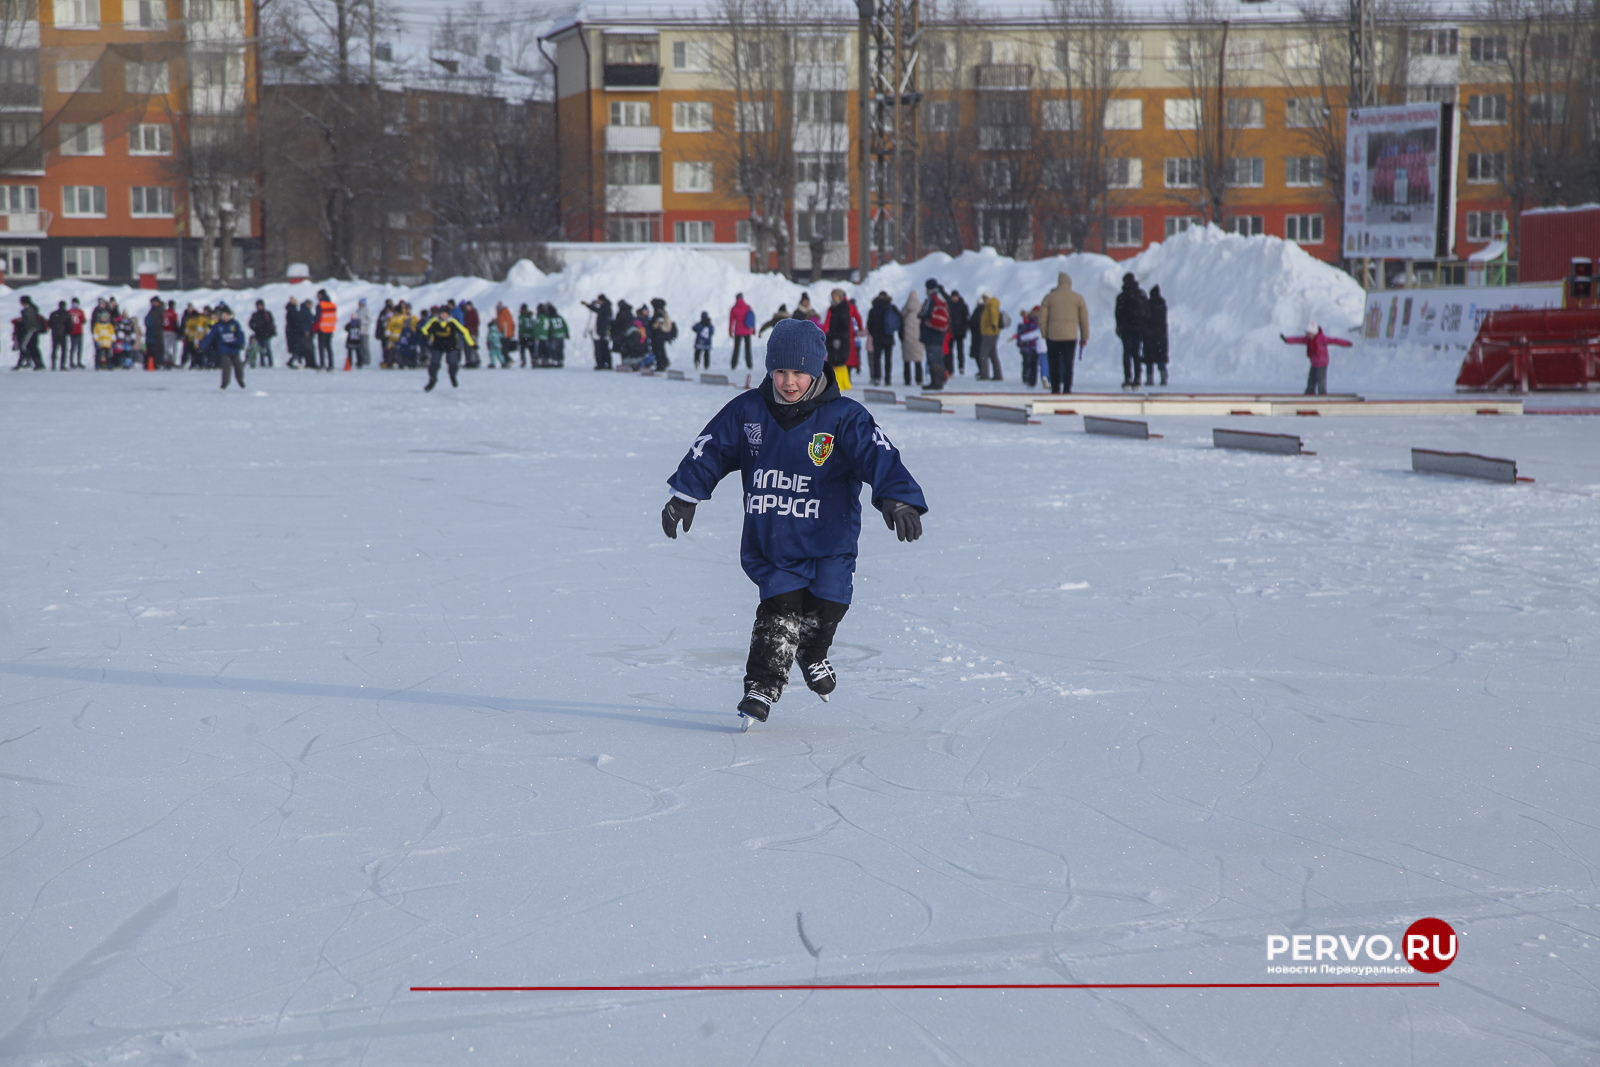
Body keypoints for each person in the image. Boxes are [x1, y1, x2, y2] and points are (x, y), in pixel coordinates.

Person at [661, 317, 927, 726]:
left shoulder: (844, 417)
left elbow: (879, 456)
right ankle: (762, 686)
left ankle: (812, 653)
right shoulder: (749, 411)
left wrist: (898, 499)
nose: (789, 382)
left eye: (799, 372)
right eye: (780, 371)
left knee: (829, 605)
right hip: (775, 539)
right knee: (779, 610)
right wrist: (685, 495)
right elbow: (710, 449)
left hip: (830, 540)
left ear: (818, 370)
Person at [1037, 272, 1089, 395]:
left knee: (1053, 363)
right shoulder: (1078, 298)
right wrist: (1084, 336)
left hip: (1053, 336)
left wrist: (1045, 333)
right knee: (1068, 363)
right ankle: (1067, 388)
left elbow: (1041, 319)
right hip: (1070, 337)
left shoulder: (1049, 298)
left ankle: (1055, 388)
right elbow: (1084, 320)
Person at [1281, 320, 1350, 395]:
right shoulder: (1308, 339)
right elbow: (1298, 339)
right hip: (1314, 363)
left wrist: (1346, 343)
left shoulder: (1321, 339)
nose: (1308, 335)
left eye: (1309, 334)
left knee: (1321, 380)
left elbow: (1335, 341)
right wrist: (1287, 340)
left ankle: (1322, 394)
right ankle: (1309, 393)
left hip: (1322, 363)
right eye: (1307, 334)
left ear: (1314, 333)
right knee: (1311, 380)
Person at [421, 305, 473, 391]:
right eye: (442, 313)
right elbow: (424, 329)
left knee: (453, 363)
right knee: (434, 364)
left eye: (445, 314)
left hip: (451, 345)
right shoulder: (434, 321)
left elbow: (464, 331)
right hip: (437, 345)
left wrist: (472, 344)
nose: (443, 315)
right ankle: (433, 379)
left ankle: (452, 375)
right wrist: (426, 335)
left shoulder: (452, 322)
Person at [1115, 272, 1147, 390]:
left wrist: (1119, 327)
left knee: (1127, 353)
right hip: (1138, 329)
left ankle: (1128, 378)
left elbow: (1118, 313)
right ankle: (1138, 378)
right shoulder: (1141, 294)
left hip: (1126, 329)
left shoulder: (1122, 296)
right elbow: (1147, 312)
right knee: (1137, 353)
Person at [822, 288, 857, 391]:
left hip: (841, 339)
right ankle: (840, 383)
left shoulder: (843, 308)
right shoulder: (833, 308)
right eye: (833, 296)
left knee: (839, 361)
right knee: (835, 361)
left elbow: (844, 325)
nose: (834, 298)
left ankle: (841, 383)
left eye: (836, 296)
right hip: (834, 337)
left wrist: (838, 338)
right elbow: (828, 322)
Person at [204, 304, 247, 389]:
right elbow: (210, 336)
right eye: (223, 316)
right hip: (224, 349)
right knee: (226, 365)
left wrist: (240, 343)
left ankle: (240, 379)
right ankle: (225, 383)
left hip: (234, 348)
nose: (225, 317)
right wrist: (202, 346)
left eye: (226, 315)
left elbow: (240, 334)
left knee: (238, 365)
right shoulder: (218, 326)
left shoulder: (234, 324)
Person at [917, 279, 949, 390]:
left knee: (933, 358)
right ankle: (938, 381)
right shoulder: (940, 299)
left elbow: (925, 313)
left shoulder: (931, 299)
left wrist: (919, 315)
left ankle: (936, 382)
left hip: (931, 333)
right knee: (938, 358)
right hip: (939, 333)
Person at [865, 291, 898, 386]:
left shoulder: (873, 309)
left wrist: (874, 333)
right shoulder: (892, 308)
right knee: (888, 359)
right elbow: (898, 320)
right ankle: (888, 379)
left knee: (877, 359)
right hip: (888, 337)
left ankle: (877, 377)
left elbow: (869, 325)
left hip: (877, 338)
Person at [973, 289, 1004, 381]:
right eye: (984, 298)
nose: (985, 299)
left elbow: (994, 315)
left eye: (986, 297)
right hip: (989, 332)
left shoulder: (991, 305)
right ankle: (998, 375)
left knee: (983, 353)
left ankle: (984, 375)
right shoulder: (989, 305)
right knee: (993, 355)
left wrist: (994, 324)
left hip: (990, 332)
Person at [1143, 285, 1169, 386]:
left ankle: (1150, 378)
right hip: (1161, 336)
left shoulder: (1148, 304)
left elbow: (1146, 318)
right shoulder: (1163, 304)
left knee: (1149, 359)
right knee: (1160, 358)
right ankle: (1163, 374)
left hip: (1149, 335)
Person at [899, 288, 924, 386]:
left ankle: (907, 379)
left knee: (907, 360)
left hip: (907, 338)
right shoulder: (921, 309)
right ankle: (919, 379)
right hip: (918, 338)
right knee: (918, 360)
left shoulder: (905, 310)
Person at [1014, 306, 1042, 387]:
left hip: (1026, 346)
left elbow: (1021, 333)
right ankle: (1031, 380)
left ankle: (1026, 379)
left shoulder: (1026, 323)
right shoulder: (1038, 323)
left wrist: (1020, 341)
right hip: (1034, 346)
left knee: (1026, 363)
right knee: (1033, 364)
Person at [581, 295, 612, 370]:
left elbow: (592, 323)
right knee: (605, 349)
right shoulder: (607, 308)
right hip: (603, 332)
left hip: (599, 332)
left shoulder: (603, 309)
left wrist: (587, 331)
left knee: (599, 349)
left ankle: (601, 363)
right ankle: (607, 363)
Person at [946, 289, 970, 376]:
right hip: (951, 332)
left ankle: (961, 367)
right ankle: (950, 368)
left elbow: (966, 319)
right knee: (949, 351)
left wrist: (965, 330)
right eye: (953, 297)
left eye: (955, 297)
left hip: (960, 332)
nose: (954, 299)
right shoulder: (949, 305)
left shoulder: (963, 306)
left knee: (960, 351)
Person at [728, 292, 755, 369]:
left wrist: (730, 331)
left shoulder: (734, 308)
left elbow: (731, 321)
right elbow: (752, 318)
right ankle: (749, 365)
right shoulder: (747, 307)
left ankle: (733, 365)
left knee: (736, 349)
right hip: (747, 331)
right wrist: (753, 329)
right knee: (748, 349)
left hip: (738, 331)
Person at [648, 297, 676, 372]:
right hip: (661, 335)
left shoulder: (658, 312)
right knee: (660, 349)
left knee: (658, 350)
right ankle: (662, 363)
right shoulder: (663, 311)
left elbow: (657, 323)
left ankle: (661, 365)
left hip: (658, 335)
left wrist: (652, 325)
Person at [315, 289, 337, 371]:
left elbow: (317, 318)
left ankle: (322, 365)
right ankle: (331, 365)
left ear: (321, 295)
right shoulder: (332, 305)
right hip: (330, 329)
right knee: (329, 347)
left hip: (322, 328)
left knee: (321, 347)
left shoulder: (320, 305)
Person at [249, 300, 276, 368]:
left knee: (267, 348)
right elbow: (251, 323)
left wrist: (269, 330)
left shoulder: (267, 314)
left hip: (266, 334)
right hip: (259, 334)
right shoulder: (255, 315)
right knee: (261, 349)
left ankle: (270, 363)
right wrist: (255, 328)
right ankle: (262, 363)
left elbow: (271, 322)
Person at [48, 300, 71, 370]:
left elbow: (49, 323)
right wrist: (67, 331)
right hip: (63, 333)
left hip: (55, 333)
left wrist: (54, 329)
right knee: (63, 350)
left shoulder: (53, 313)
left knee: (54, 349)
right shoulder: (67, 314)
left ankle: (53, 365)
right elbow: (70, 325)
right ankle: (62, 365)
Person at [143, 297, 165, 370]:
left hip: (157, 334)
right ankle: (148, 364)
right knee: (149, 350)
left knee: (157, 350)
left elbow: (161, 322)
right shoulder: (152, 310)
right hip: (150, 334)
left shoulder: (160, 310)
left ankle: (157, 364)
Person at [68, 297, 86, 368]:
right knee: (75, 348)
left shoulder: (72, 311)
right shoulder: (79, 311)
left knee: (77, 348)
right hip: (75, 332)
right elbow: (83, 320)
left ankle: (77, 362)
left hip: (77, 331)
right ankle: (74, 362)